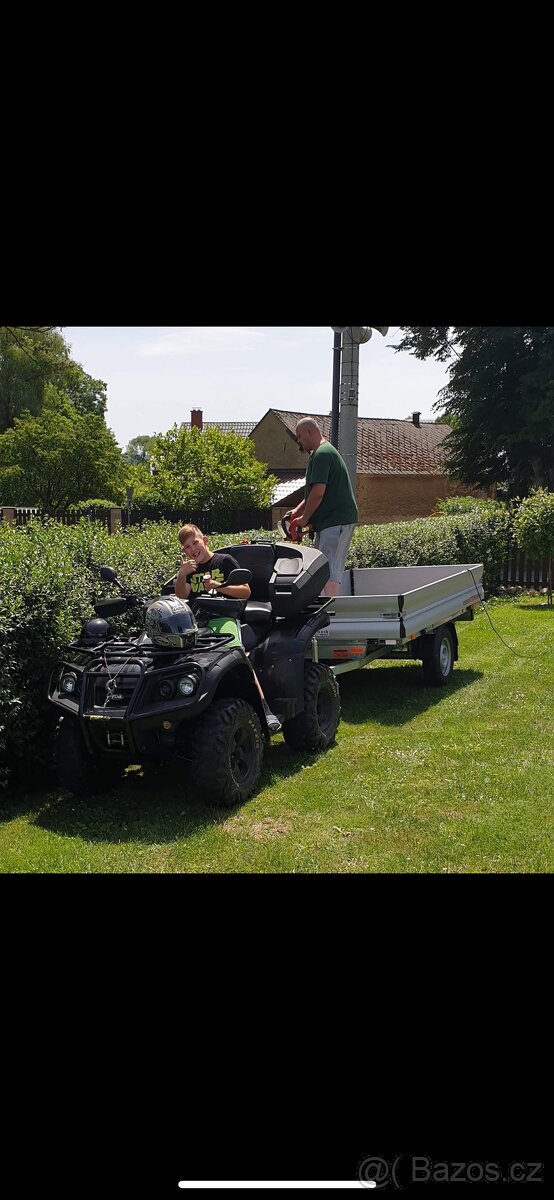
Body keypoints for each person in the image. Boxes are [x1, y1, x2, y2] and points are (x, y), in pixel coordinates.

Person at [174, 523, 281, 734]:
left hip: (224, 618)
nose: (193, 549)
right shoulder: (190, 569)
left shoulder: (224, 561)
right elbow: (181, 595)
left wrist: (219, 586)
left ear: (205, 540)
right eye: (187, 547)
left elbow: (246, 591)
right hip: (197, 623)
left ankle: (265, 710)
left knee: (238, 656)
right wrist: (181, 574)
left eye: (195, 542)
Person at [284, 418, 358, 598]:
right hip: (333, 520)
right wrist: (298, 511)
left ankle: (331, 609)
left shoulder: (322, 455)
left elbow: (318, 493)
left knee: (328, 567)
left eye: (300, 436)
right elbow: (313, 492)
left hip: (335, 520)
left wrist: (303, 519)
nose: (299, 441)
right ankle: (328, 606)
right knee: (324, 565)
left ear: (309, 432)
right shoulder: (322, 453)